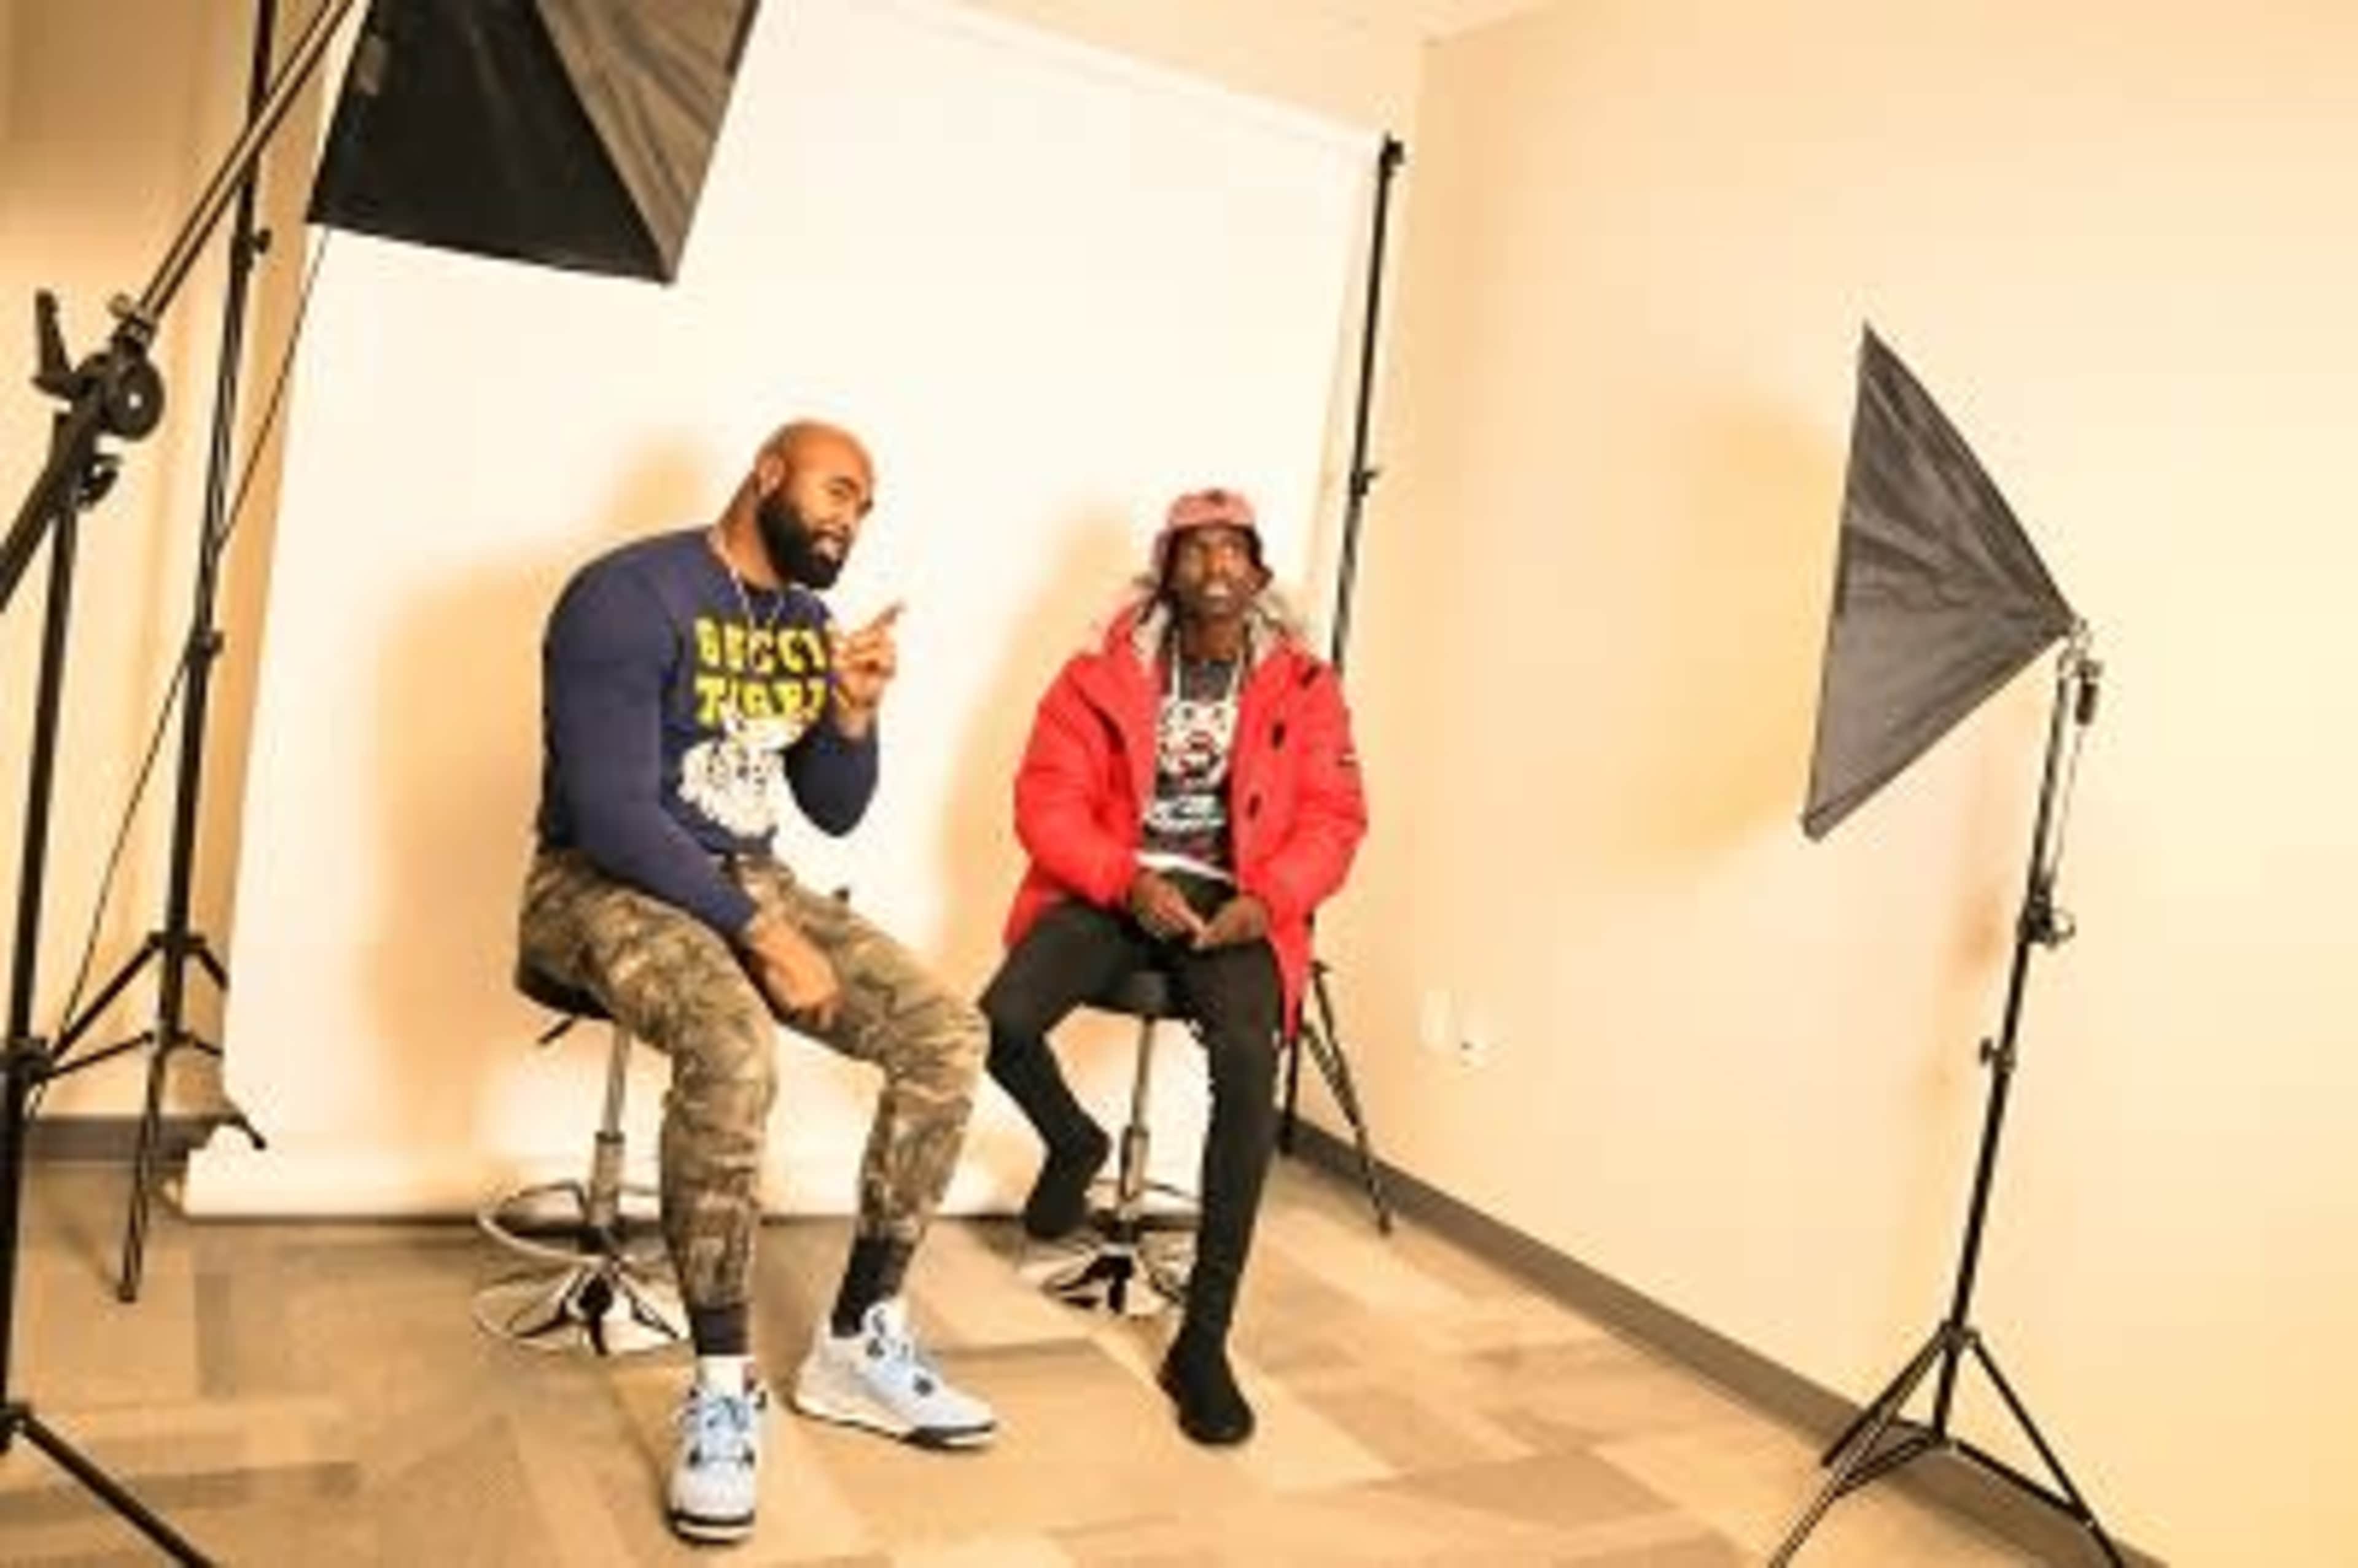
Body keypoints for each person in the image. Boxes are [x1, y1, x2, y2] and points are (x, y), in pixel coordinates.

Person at [518, 421, 994, 1546]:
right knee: (735, 1042)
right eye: (838, 489)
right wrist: (757, 931)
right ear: (768, 475)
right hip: (596, 881)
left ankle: (858, 1338)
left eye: (867, 506)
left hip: (750, 870)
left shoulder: (807, 623)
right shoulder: (629, 594)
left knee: (946, 1033)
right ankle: (724, 1384)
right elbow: (615, 811)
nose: (850, 517)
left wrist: (856, 712)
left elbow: (830, 806)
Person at [979, 487, 1368, 1445]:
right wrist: (1121, 877)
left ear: (1262, 572)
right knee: (1000, 1023)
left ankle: (1204, 1340)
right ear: (1166, 569)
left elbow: (1335, 819)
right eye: (1196, 551)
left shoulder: (1308, 686)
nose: (1217, 566)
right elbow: (1046, 802)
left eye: (1235, 549)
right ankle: (1077, 1144)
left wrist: (1268, 898)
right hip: (1117, 884)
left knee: (1248, 1068)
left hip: (1237, 901)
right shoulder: (1093, 676)